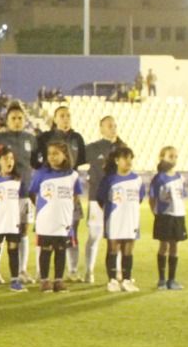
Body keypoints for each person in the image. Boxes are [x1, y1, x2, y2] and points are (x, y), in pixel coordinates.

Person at [0, 104, 38, 282]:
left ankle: (21, 270)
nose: (17, 121)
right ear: (7, 120)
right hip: (3, 195)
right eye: (13, 118)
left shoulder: (31, 139)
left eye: (20, 118)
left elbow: (35, 163)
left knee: (23, 231)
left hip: (25, 192)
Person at [29, 140, 81, 293]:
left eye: (56, 153)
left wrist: (66, 208)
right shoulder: (41, 173)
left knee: (61, 250)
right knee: (45, 250)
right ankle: (45, 280)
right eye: (49, 154)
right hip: (45, 219)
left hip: (63, 220)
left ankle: (58, 280)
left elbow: (75, 195)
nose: (52, 157)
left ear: (65, 155)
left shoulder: (73, 175)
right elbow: (32, 192)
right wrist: (42, 207)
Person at [93, 143, 140, 292]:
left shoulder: (137, 179)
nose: (128, 161)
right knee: (113, 248)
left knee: (128, 250)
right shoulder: (109, 180)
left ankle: (126, 280)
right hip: (114, 219)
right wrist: (112, 212)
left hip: (131, 219)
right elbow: (100, 199)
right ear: (117, 160)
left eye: (130, 158)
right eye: (125, 158)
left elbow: (139, 198)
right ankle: (112, 280)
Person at [80, 115, 122, 282]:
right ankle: (89, 271)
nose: (113, 128)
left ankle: (118, 271)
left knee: (117, 237)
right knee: (94, 235)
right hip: (96, 198)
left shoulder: (122, 148)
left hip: (117, 199)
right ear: (101, 128)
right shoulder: (93, 148)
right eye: (109, 125)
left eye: (114, 125)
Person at [0, 147, 27, 292]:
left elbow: (21, 201)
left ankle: (15, 281)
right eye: (6, 158)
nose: (10, 161)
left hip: (13, 221)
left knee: (13, 250)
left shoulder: (17, 180)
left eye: (12, 158)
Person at [148, 145, 186, 291]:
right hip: (165, 216)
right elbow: (152, 199)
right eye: (170, 156)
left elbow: (182, 196)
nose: (174, 159)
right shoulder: (159, 178)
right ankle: (162, 280)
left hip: (179, 215)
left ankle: (172, 280)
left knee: (175, 246)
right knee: (164, 246)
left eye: (175, 156)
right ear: (162, 157)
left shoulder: (180, 177)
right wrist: (157, 214)